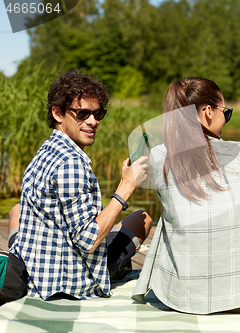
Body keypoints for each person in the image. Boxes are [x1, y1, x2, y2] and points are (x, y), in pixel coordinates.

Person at [132, 77, 240, 314]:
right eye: (225, 112)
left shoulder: (159, 156)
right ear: (208, 111)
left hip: (180, 297)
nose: (226, 120)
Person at [7, 69, 153, 301]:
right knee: (142, 218)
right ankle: (118, 269)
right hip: (71, 283)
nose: (93, 122)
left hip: (35, 274)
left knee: (16, 210)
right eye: (83, 113)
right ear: (57, 113)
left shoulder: (45, 151)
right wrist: (125, 187)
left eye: (98, 114)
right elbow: (89, 241)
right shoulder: (72, 163)